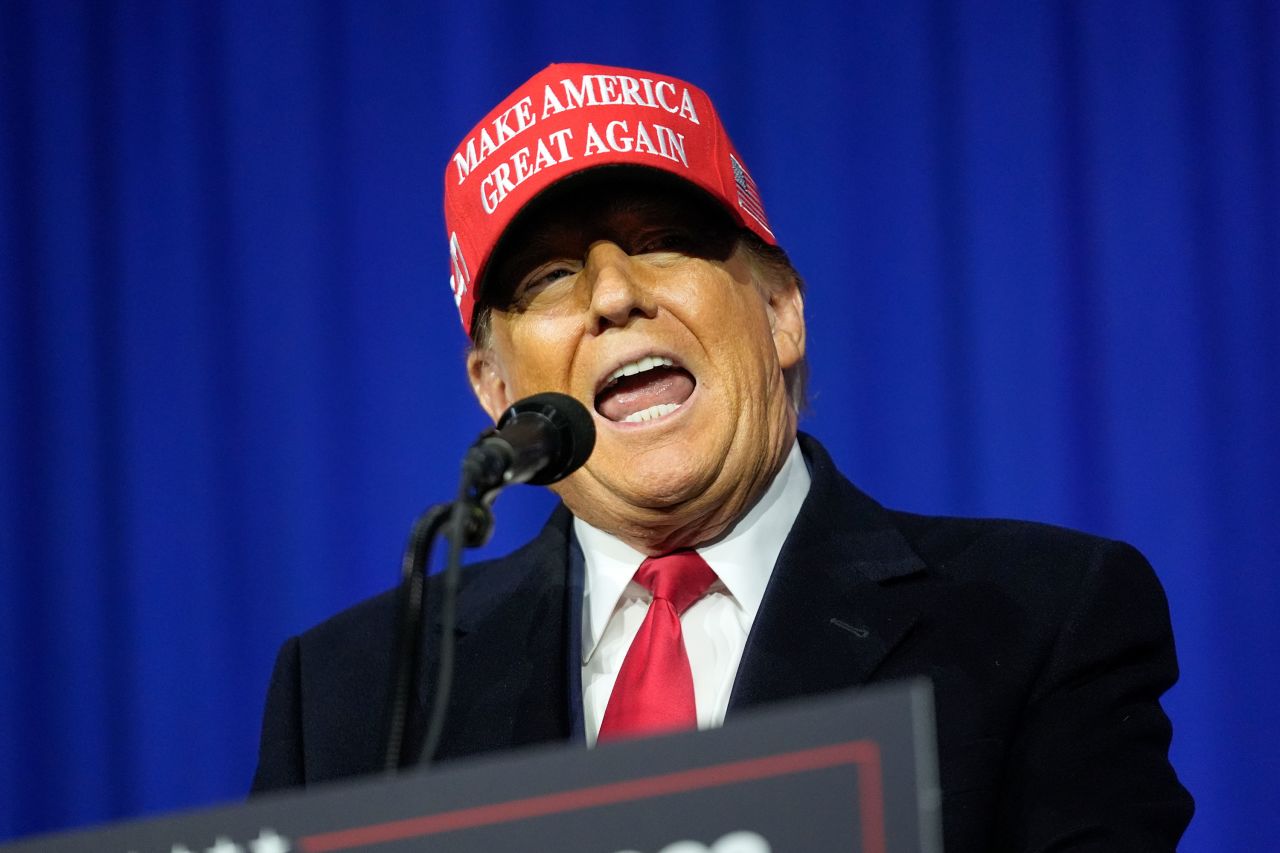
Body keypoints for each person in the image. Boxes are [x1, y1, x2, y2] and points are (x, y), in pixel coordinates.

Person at [252, 63, 1193, 850]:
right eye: (549, 276)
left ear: (782, 312)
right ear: (497, 391)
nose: (614, 295)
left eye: (665, 244)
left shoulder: (1042, 617)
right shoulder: (352, 693)